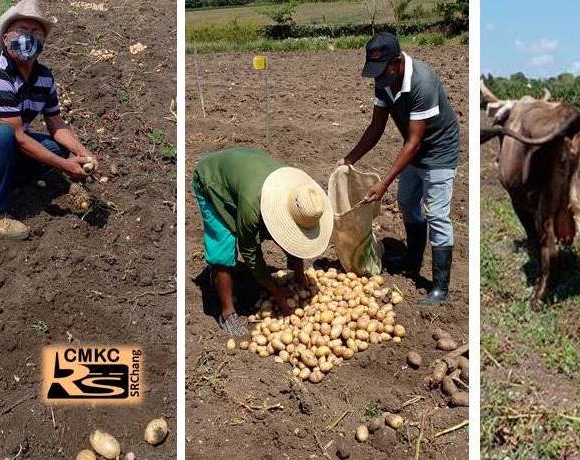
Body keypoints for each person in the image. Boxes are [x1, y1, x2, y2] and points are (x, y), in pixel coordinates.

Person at [0, 0, 97, 240]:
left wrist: (82, 152)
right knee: (2, 134)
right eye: (22, 30)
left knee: (55, 146)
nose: (29, 36)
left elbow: (56, 124)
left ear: (43, 42)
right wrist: (64, 165)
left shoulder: (44, 78)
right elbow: (16, 136)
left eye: (36, 31)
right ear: (6, 38)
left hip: (0, 142)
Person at [341, 32, 460, 305]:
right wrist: (350, 159)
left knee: (438, 216)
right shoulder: (384, 81)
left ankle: (440, 288)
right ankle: (412, 259)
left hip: (439, 151)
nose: (377, 78)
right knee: (407, 202)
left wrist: (383, 184)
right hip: (413, 149)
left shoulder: (423, 82)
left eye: (382, 71)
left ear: (396, 63)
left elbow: (415, 142)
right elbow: (376, 127)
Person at [192, 147, 334, 337]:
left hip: (245, 174)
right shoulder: (252, 208)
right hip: (212, 180)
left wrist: (299, 274)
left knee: (286, 234)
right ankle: (227, 313)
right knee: (223, 249)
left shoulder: (297, 192)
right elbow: (249, 252)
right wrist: (276, 294)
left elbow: (293, 237)